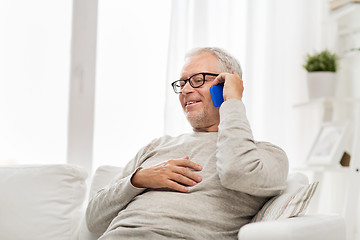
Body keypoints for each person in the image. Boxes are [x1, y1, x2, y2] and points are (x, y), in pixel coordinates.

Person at [86, 47, 289, 239]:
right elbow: (93, 219)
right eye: (182, 83)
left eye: (198, 80)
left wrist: (232, 101)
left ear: (228, 84)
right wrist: (138, 179)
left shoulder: (266, 155)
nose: (185, 90)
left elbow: (236, 172)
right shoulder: (157, 146)